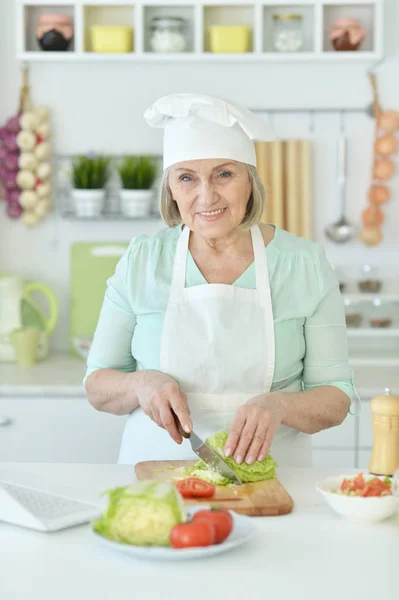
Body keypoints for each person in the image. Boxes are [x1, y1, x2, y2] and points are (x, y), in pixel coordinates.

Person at [84, 93, 356, 468]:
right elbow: (97, 384)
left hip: (273, 478)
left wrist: (280, 405)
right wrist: (139, 383)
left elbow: (337, 398)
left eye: (224, 174)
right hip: (156, 474)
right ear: (172, 190)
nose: (206, 195)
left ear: (250, 182)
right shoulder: (143, 261)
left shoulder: (303, 264)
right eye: (186, 178)